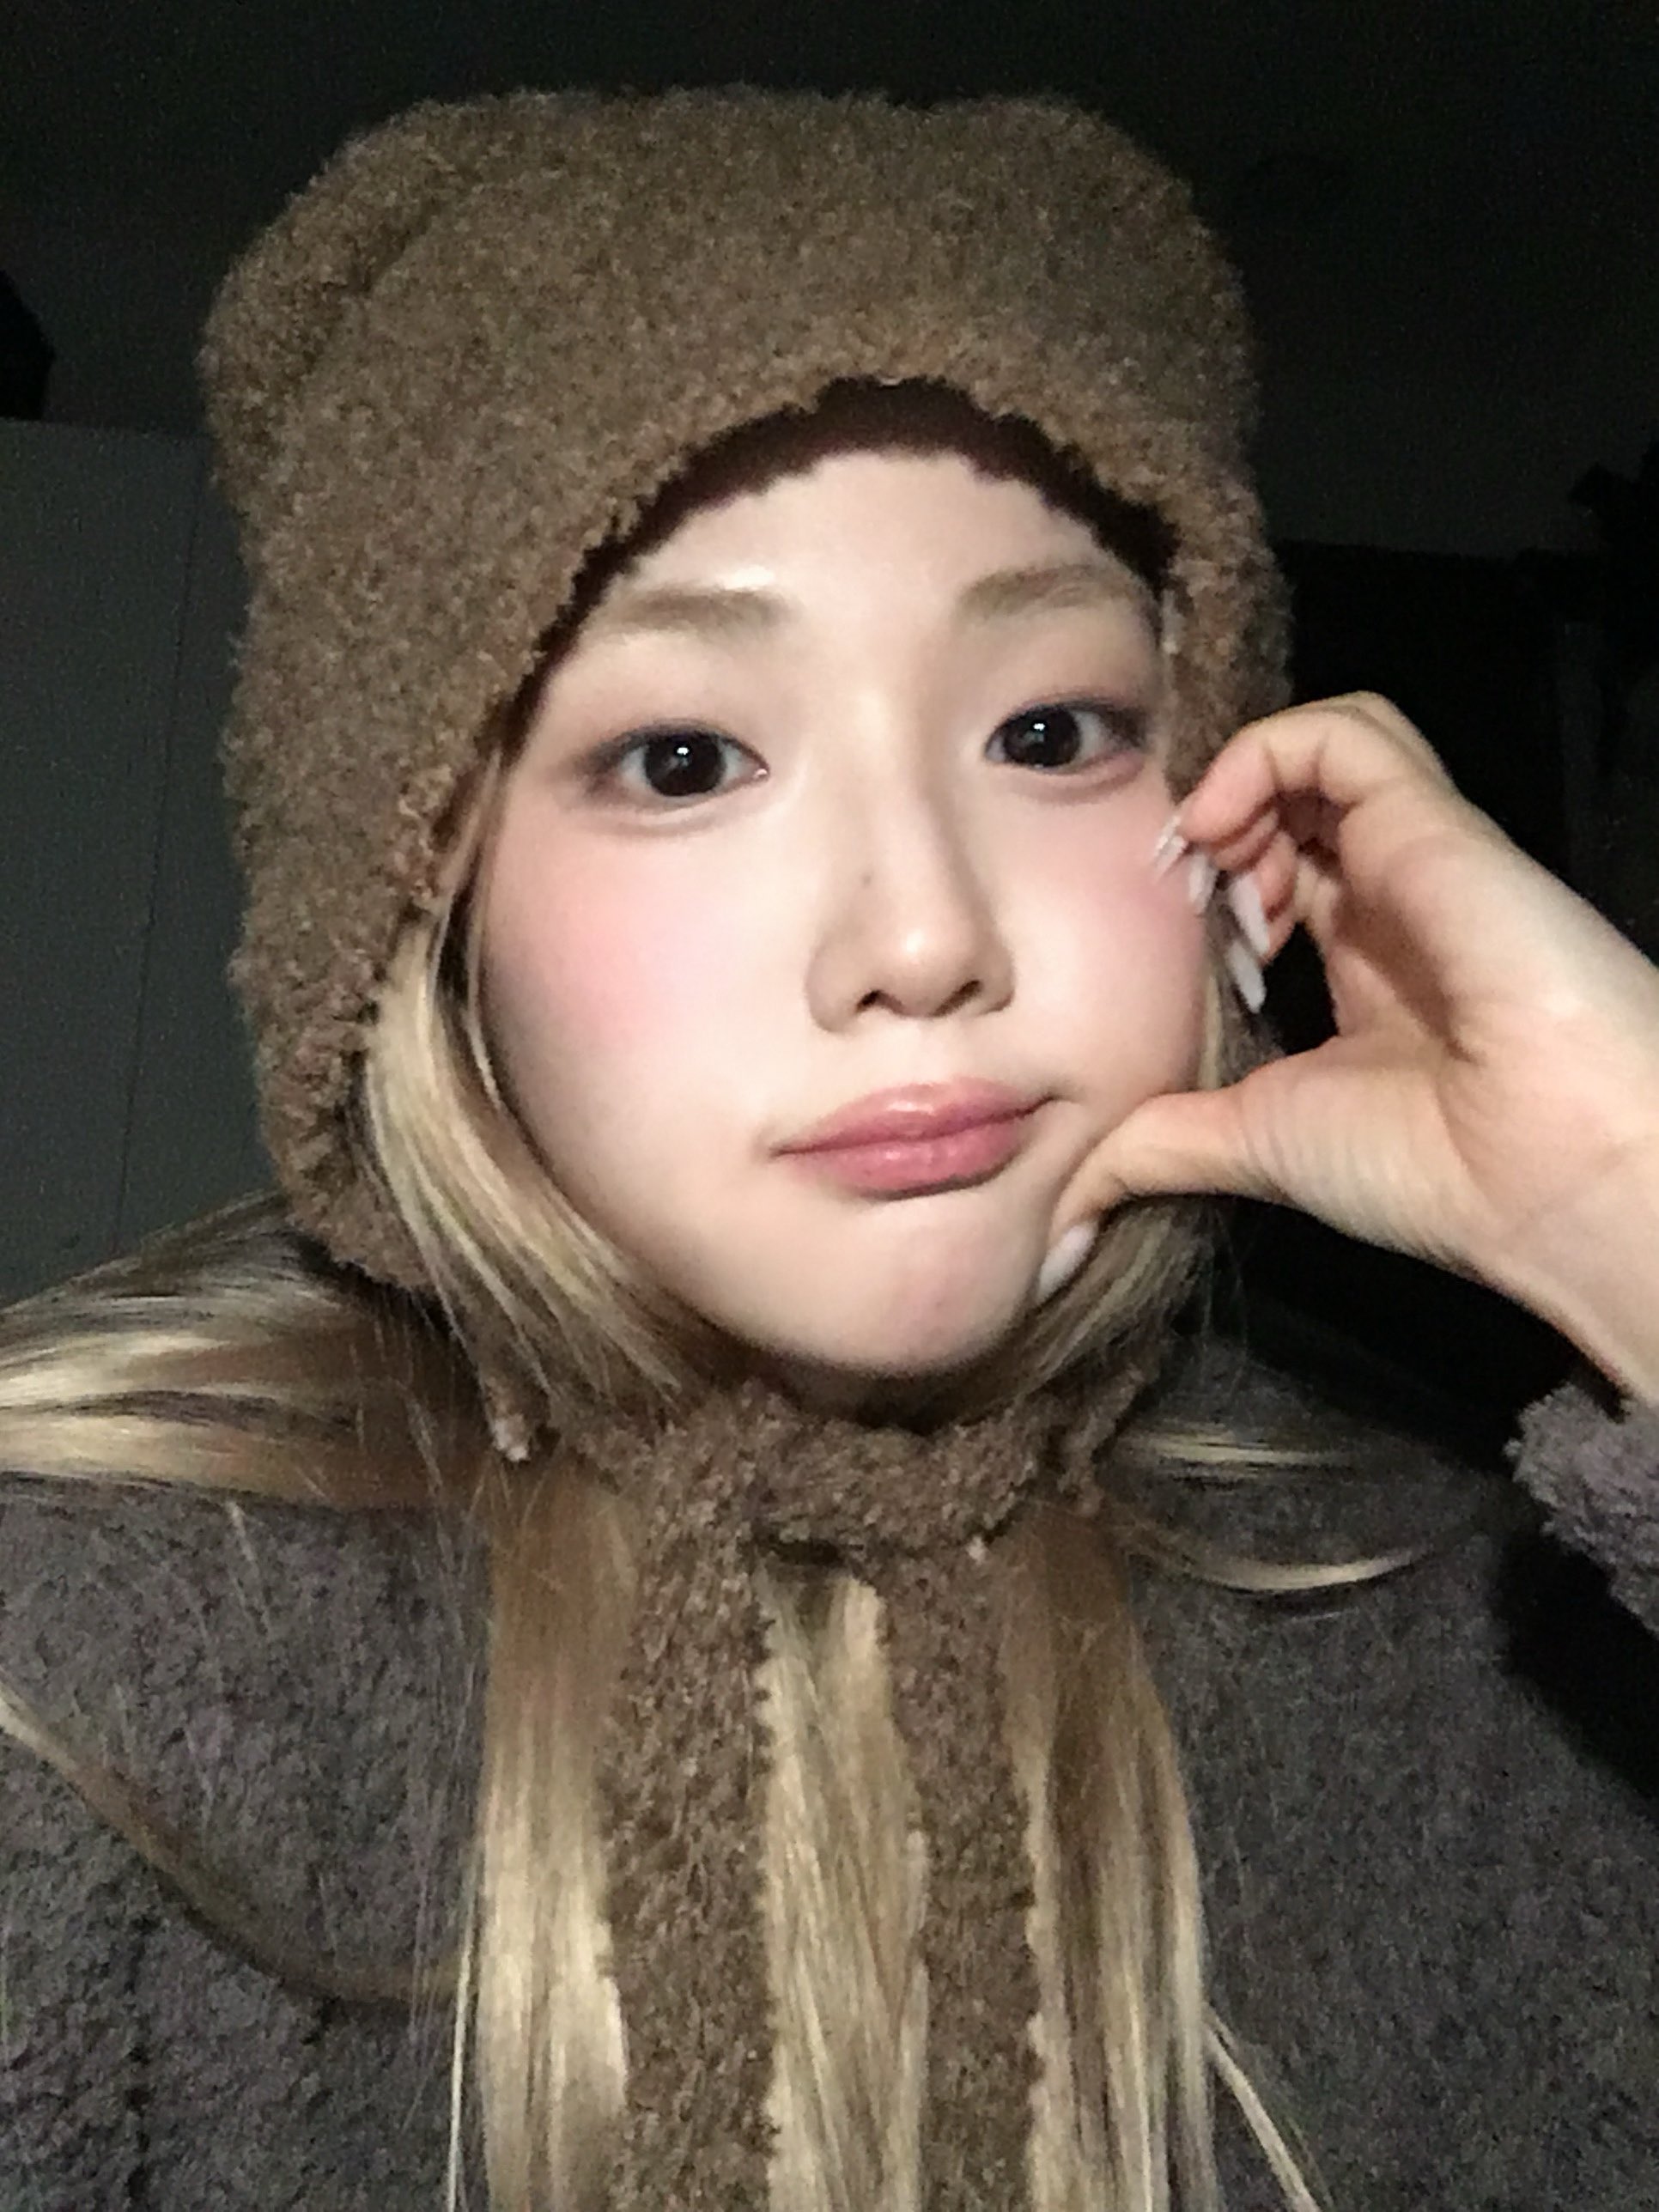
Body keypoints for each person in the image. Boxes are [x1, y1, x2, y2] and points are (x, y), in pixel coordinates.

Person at [2, 88, 1657, 2212]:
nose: (923, 935)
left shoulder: (1468, 1661)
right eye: (685, 757)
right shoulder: (81, 1668)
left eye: (1051, 730)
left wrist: (1629, 1205)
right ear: (415, 890)